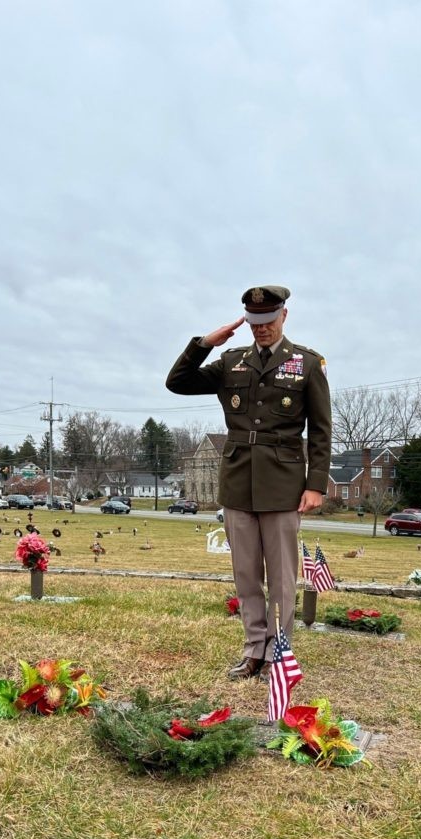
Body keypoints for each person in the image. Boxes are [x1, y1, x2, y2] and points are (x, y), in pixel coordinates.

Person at [166, 284, 332, 679]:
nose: (262, 329)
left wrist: (316, 484)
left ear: (284, 316)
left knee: (281, 576)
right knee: (245, 574)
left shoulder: (307, 363)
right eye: (255, 322)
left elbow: (322, 430)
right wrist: (206, 343)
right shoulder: (231, 361)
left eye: (269, 321)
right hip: (238, 481)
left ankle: (280, 651)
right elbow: (177, 381)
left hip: (283, 483)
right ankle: (254, 649)